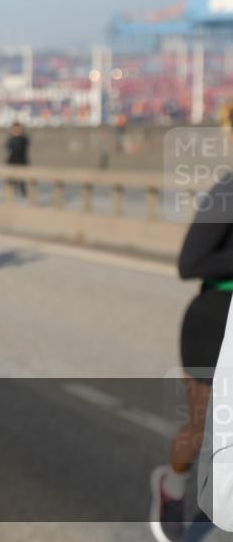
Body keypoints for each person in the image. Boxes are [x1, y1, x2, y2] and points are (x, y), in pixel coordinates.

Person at [154, 102, 233, 542]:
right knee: (202, 427)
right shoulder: (228, 190)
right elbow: (190, 262)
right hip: (215, 322)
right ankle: (172, 485)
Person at [5, 121, 30, 199]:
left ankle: (23, 197)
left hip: (21, 162)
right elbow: (9, 149)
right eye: (15, 129)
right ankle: (11, 198)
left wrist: (17, 136)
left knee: (22, 183)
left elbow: (20, 149)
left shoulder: (24, 139)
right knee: (12, 183)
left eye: (18, 129)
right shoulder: (11, 139)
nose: (17, 130)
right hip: (12, 163)